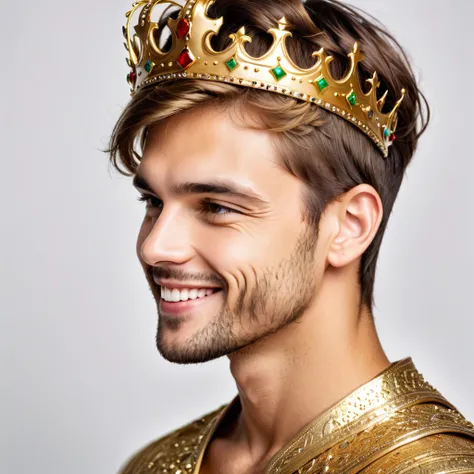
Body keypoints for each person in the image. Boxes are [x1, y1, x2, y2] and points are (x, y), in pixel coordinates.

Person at [107, 0, 474, 472]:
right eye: (153, 202)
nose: (154, 246)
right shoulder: (153, 465)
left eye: (217, 207)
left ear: (349, 226)